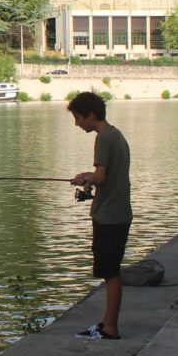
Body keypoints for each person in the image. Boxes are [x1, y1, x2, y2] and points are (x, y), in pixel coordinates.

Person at [67, 91, 132, 340]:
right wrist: (89, 178)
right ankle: (106, 324)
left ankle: (110, 328)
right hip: (118, 212)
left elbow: (101, 176)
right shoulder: (116, 135)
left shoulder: (104, 138)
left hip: (110, 216)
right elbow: (107, 178)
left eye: (78, 118)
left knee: (110, 271)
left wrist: (85, 178)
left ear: (91, 115)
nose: (77, 124)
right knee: (110, 269)